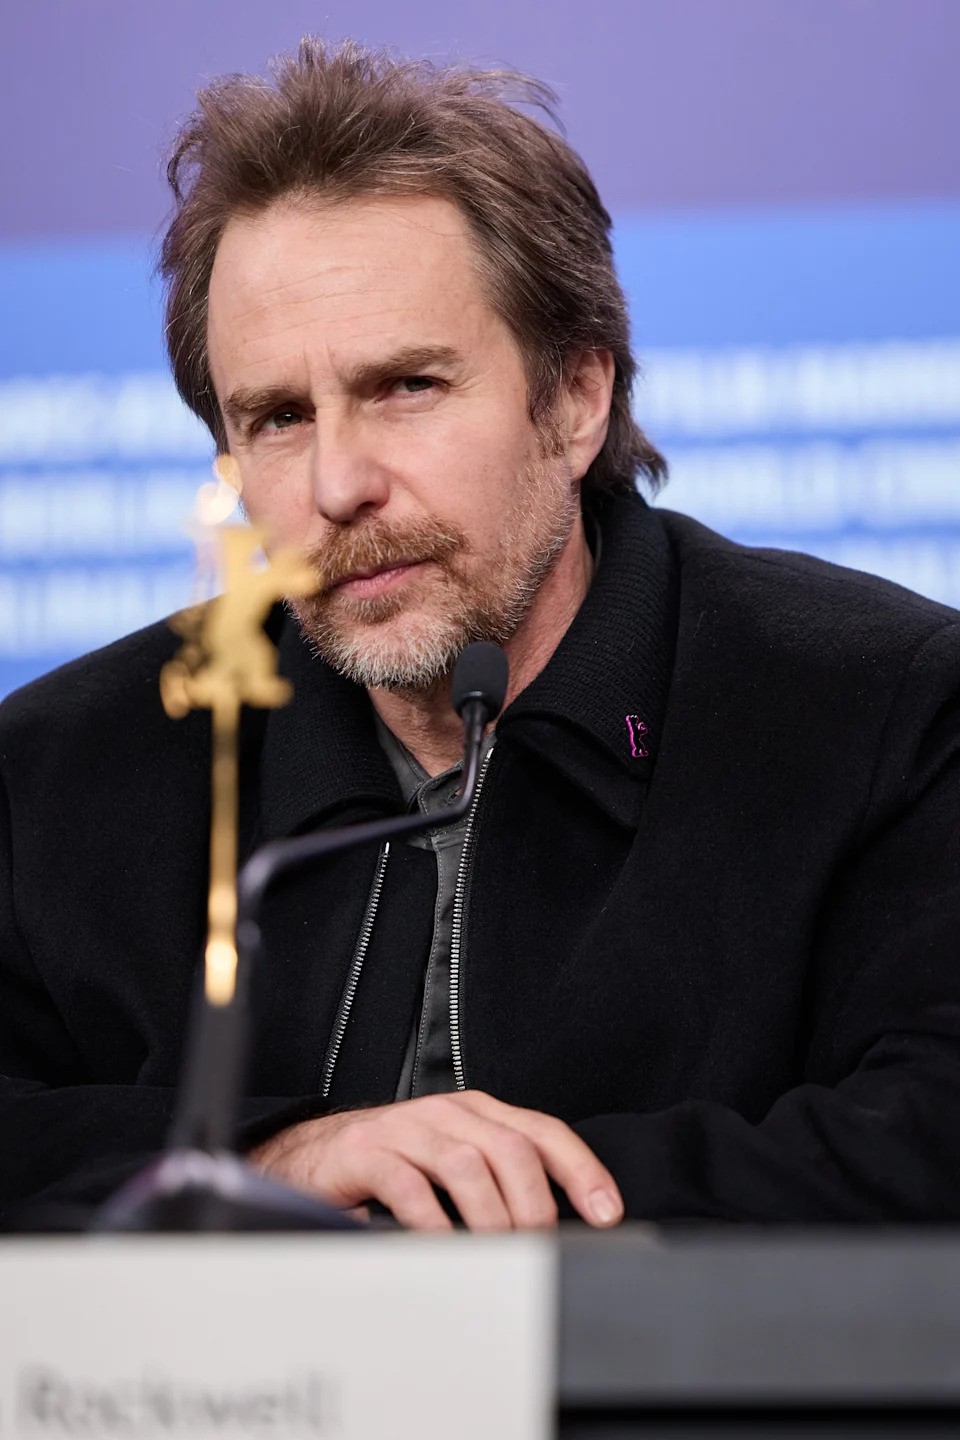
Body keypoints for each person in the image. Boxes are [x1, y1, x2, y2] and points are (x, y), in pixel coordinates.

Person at [2, 39, 960, 1231]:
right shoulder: (55, 773)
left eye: (407, 386)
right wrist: (274, 1159)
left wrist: (493, 1217)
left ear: (573, 399)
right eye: (280, 418)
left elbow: (927, 1140)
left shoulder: (885, 712)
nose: (340, 484)